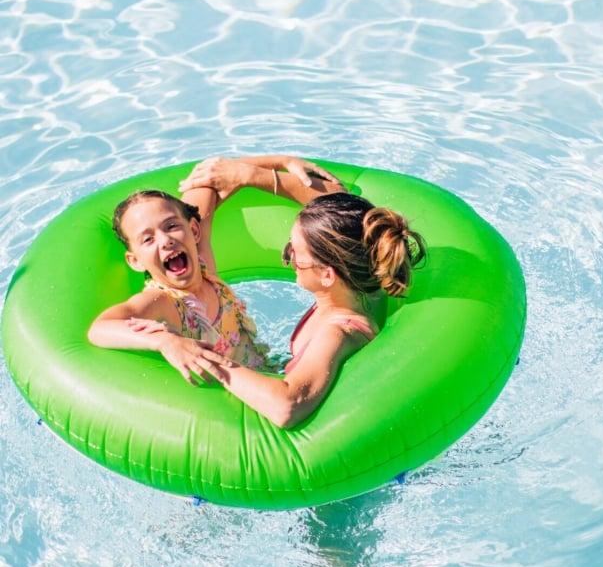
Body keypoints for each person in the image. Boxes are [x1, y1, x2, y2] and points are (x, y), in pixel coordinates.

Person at [171, 154, 427, 428]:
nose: (287, 257)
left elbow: (287, 406)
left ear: (328, 274)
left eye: (294, 251)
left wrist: (208, 360)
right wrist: (259, 171)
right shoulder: (366, 281)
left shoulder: (339, 332)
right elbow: (345, 207)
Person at [87, 156, 343, 384]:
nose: (165, 240)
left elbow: (208, 176)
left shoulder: (202, 263)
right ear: (135, 261)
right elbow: (100, 328)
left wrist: (281, 161)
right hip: (235, 397)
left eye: (171, 226)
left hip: (266, 371)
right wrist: (165, 341)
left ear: (194, 230)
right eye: (148, 239)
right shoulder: (161, 301)